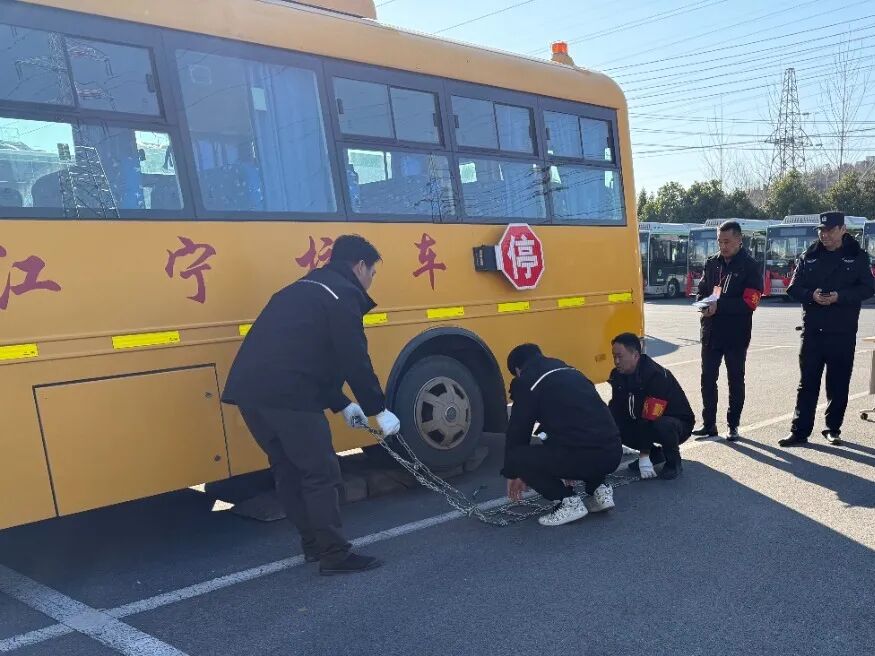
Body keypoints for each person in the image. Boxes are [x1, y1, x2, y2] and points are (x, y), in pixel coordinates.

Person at [221, 235, 400, 575]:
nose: (371, 281)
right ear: (360, 266)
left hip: (251, 394)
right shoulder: (342, 295)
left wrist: (341, 403)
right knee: (321, 473)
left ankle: (314, 545)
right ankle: (335, 554)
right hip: (289, 396)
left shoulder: (300, 289)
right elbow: (353, 359)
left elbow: (305, 355)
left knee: (288, 469)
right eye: (372, 273)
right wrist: (378, 409)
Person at [779, 211, 874, 447]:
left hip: (842, 331)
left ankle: (833, 429)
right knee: (807, 383)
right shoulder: (809, 255)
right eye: (821, 231)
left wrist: (840, 297)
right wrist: (810, 295)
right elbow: (793, 288)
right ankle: (799, 431)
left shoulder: (857, 256)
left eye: (830, 230)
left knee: (838, 383)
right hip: (813, 331)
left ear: (842, 230)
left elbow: (868, 288)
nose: (825, 235)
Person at [501, 344, 623, 527]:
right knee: (573, 436)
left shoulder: (527, 381)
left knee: (518, 456)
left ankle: (567, 502)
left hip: (584, 456)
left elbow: (518, 431)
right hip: (612, 452)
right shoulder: (570, 371)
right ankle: (600, 490)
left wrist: (513, 471)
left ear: (518, 370)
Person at [693, 220, 763, 441]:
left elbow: (750, 302)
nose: (723, 246)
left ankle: (733, 425)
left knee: (735, 380)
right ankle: (709, 424)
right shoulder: (712, 263)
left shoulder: (750, 266)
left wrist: (719, 306)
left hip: (735, 334)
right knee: (707, 379)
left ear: (739, 240)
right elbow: (702, 290)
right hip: (711, 332)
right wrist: (703, 304)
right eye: (719, 242)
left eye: (727, 242)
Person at [608, 333, 695, 480]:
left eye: (620, 356)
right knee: (614, 423)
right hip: (645, 419)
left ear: (635, 355)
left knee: (663, 425)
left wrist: (643, 455)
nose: (616, 361)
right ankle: (655, 454)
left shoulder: (655, 376)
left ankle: (673, 462)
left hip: (675, 424)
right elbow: (616, 408)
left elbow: (650, 416)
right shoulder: (617, 375)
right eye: (613, 356)